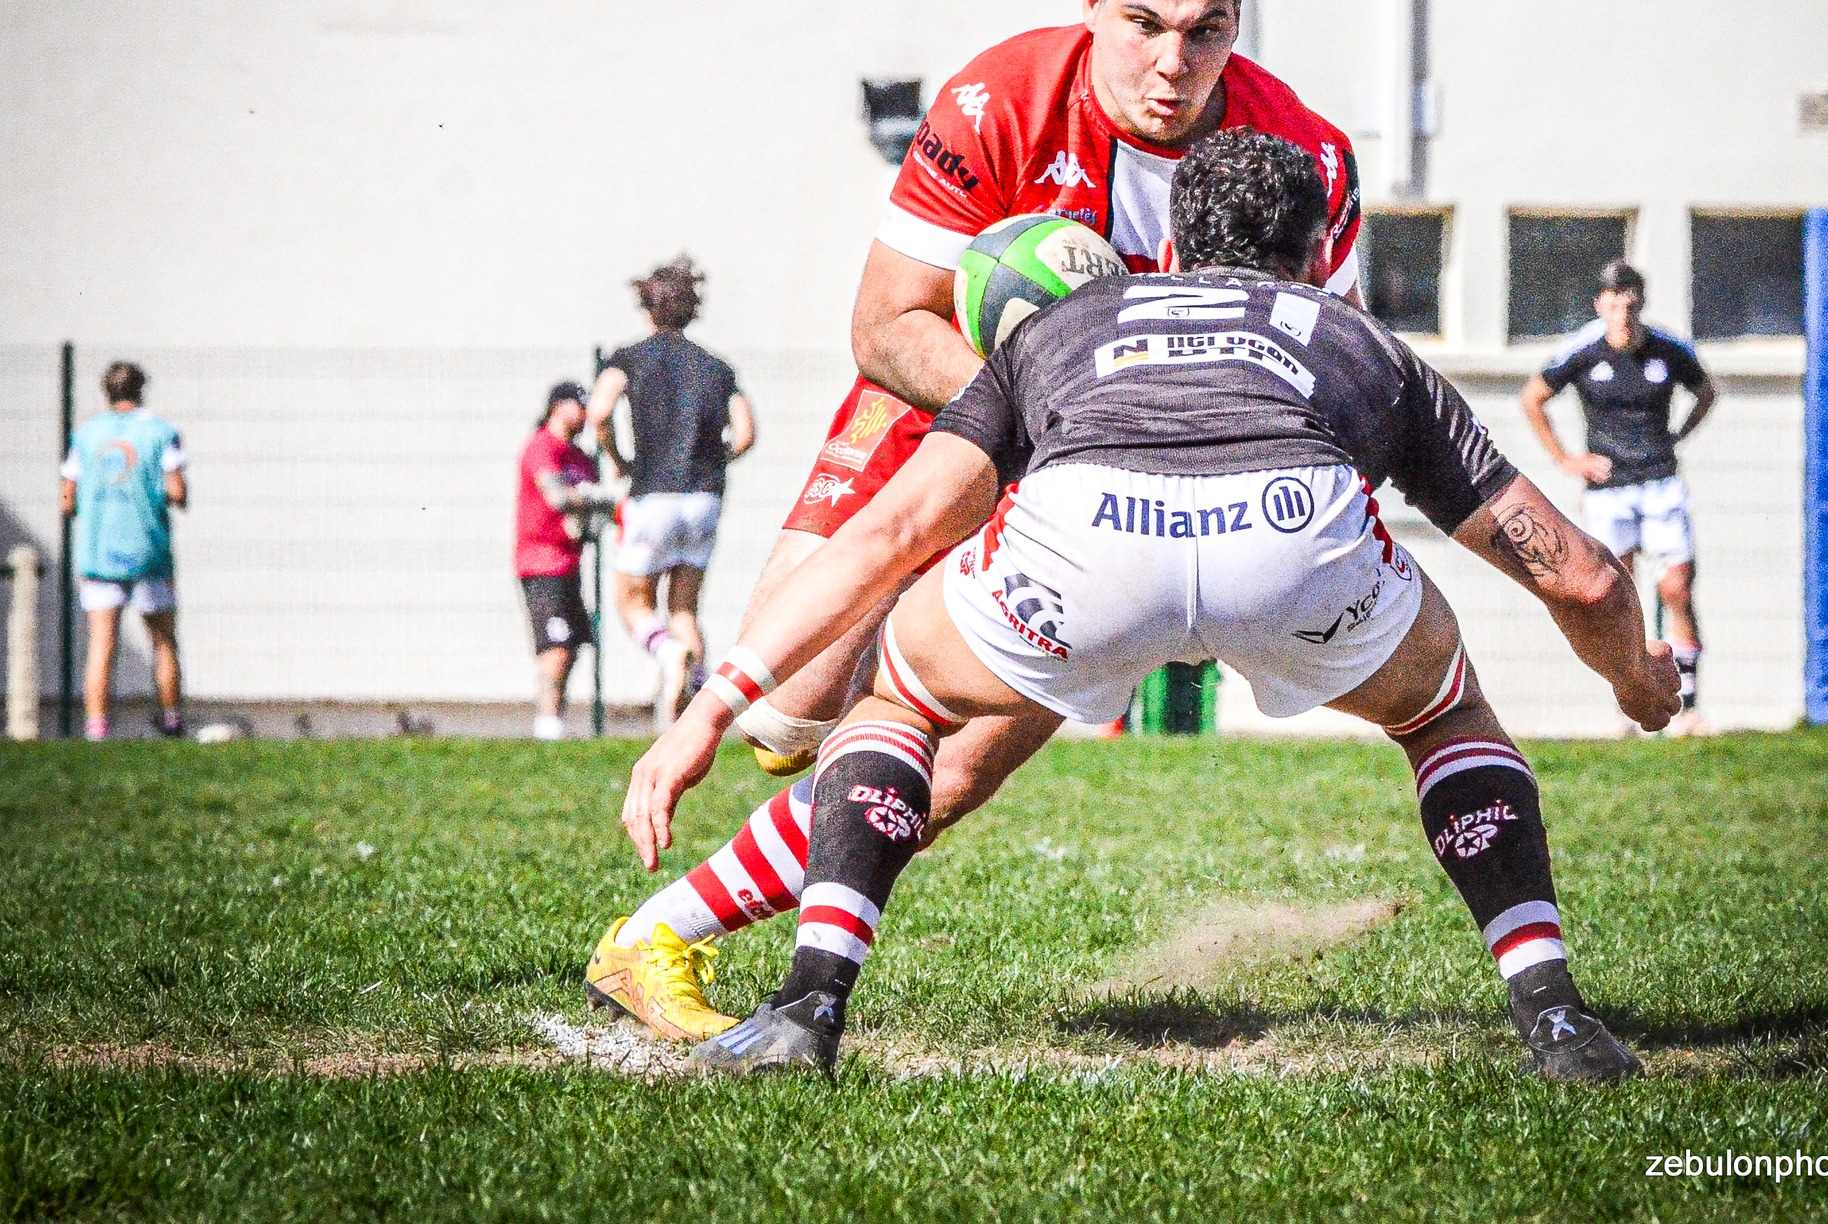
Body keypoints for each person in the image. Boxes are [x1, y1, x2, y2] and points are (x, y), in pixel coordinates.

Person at [618, 135, 1680, 1081]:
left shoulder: (1070, 323)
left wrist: (707, 714)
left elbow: (891, 532)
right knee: (1442, 713)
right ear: (1317, 255)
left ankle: (808, 1002)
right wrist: (1634, 678)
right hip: (1290, 539)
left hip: (1088, 539)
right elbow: (1578, 572)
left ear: (1167, 249)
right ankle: (1551, 1015)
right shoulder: (1354, 339)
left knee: (900, 695)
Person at [580, 0, 1366, 1042]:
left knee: (942, 772)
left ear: (1236, 21)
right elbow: (886, 322)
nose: (1172, 62)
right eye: (1144, 23)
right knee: (794, 709)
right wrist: (1048, 420)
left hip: (1123, 482)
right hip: (941, 401)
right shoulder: (996, 96)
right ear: (1091, 0)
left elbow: (1315, 367)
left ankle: (654, 939)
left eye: (1206, 29)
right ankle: (781, 765)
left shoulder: (1300, 156)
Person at [1521, 261, 1715, 730]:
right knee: (1618, 594)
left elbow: (1705, 392)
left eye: (1629, 302)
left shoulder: (1667, 350)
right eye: (1613, 303)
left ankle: (1688, 708)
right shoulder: (1583, 351)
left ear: (1640, 303)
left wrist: (1678, 434)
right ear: (1600, 305)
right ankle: (1628, 702)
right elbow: (1533, 398)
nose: (1622, 313)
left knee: (1675, 587)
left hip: (1659, 480)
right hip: (1608, 488)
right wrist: (1568, 460)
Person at [589, 254, 755, 728]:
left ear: (647, 308)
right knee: (683, 605)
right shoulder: (716, 368)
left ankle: (668, 657)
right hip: (705, 498)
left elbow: (600, 410)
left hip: (653, 492)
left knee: (632, 600)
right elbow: (744, 434)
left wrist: (618, 458)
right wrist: (713, 459)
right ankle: (690, 715)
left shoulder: (631, 358)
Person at [60, 361, 188, 740]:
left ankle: (97, 728)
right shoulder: (162, 432)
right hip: (149, 551)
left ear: (106, 391)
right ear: (141, 389)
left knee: (102, 643)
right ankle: (171, 719)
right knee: (163, 640)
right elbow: (177, 491)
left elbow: (67, 500)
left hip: (100, 553)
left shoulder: (86, 435)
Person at [515, 381, 623, 741]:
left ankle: (554, 722)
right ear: (559, 406)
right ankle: (547, 728)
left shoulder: (581, 457)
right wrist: (596, 498)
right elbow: (558, 497)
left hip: (569, 561)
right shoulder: (542, 445)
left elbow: (598, 511)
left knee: (573, 646)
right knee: (555, 647)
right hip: (541, 562)